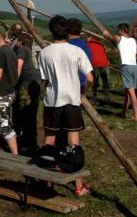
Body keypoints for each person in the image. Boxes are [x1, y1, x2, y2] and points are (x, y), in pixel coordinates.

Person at [38, 16, 93, 196]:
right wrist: (82, 89)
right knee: (73, 144)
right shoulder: (76, 51)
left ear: (52, 31)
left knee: (49, 142)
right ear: (67, 30)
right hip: (71, 100)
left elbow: (44, 80)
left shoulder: (44, 53)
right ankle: (78, 186)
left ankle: (45, 184)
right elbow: (90, 77)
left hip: (53, 101)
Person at [103, 23, 137, 121]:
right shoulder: (133, 40)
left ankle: (136, 115)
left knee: (131, 92)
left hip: (125, 66)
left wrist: (104, 32)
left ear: (121, 31)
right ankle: (124, 111)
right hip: (134, 66)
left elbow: (108, 36)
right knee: (128, 91)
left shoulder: (118, 38)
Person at [14, 33, 41, 153]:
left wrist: (13, 82)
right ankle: (32, 139)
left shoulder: (22, 49)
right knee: (32, 110)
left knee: (24, 109)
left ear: (20, 41)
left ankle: (27, 141)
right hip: (36, 82)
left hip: (27, 82)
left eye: (17, 41)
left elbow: (18, 67)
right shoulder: (31, 51)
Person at [85, 33, 110, 104]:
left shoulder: (88, 45)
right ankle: (106, 96)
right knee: (105, 80)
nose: (86, 39)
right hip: (104, 63)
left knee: (94, 82)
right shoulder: (100, 44)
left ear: (91, 37)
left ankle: (94, 97)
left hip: (95, 64)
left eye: (87, 37)